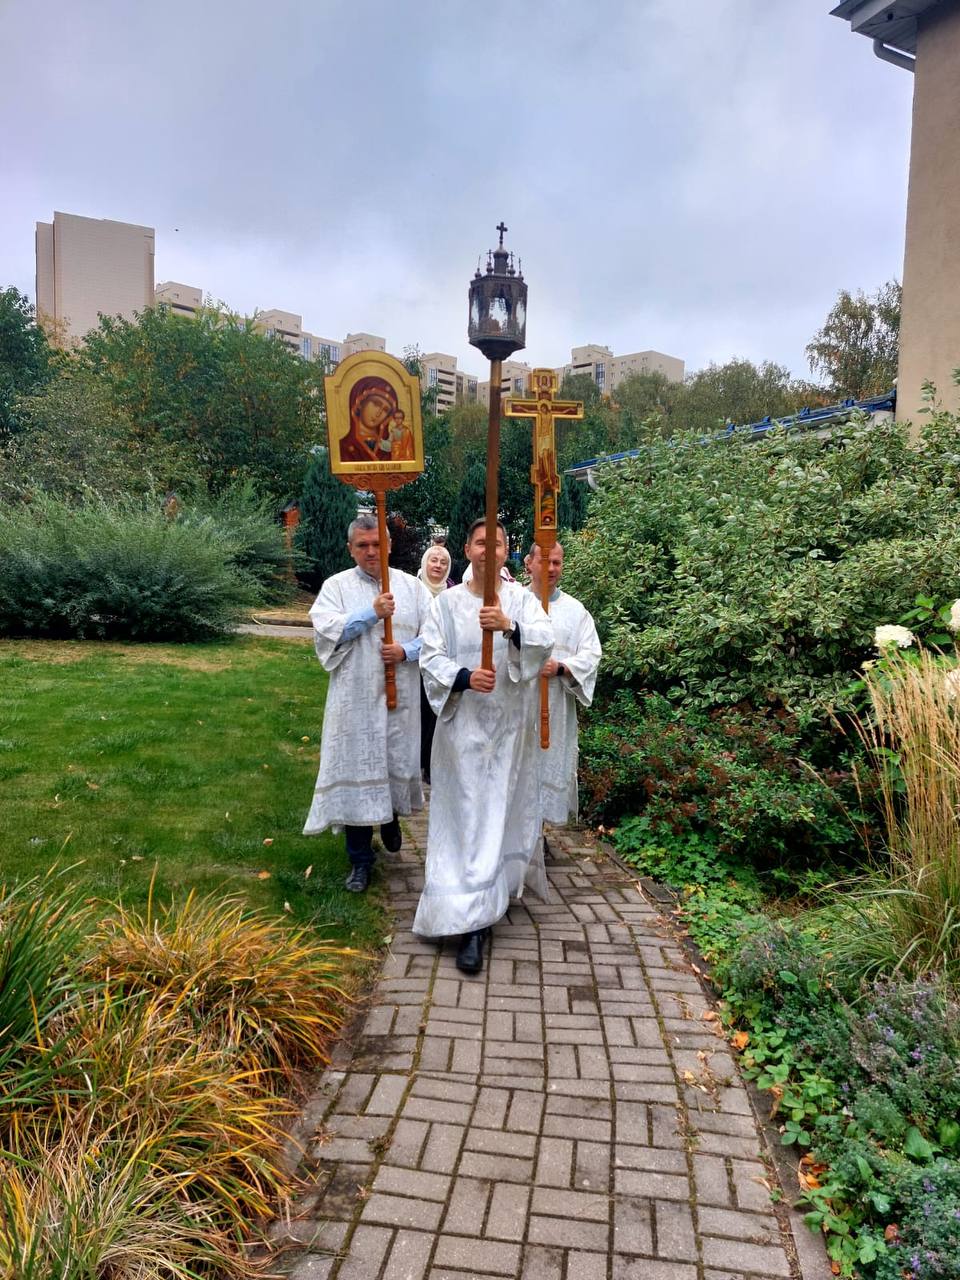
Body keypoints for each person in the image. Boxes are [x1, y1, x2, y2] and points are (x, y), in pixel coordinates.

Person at [413, 518, 554, 974]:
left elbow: (544, 640)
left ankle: (476, 921)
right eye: (479, 543)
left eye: (496, 544)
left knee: (493, 814)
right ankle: (454, 898)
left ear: (506, 552)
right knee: (463, 815)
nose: (488, 551)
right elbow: (430, 656)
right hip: (461, 731)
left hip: (506, 732)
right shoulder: (446, 604)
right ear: (467, 550)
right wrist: (464, 677)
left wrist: (509, 627)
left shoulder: (521, 600)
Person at [303, 514, 432, 892]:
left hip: (399, 698)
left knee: (392, 761)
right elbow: (328, 632)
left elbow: (436, 636)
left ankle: (390, 818)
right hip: (355, 700)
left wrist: (405, 651)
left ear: (389, 545)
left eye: (378, 544)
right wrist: (372, 613)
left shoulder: (412, 588)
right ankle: (360, 860)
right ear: (351, 549)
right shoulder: (336, 587)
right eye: (363, 545)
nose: (372, 551)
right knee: (357, 769)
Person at [524, 541, 602, 826]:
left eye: (557, 562)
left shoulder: (575, 611)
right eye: (545, 561)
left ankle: (539, 833)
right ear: (529, 564)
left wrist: (561, 667)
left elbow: (592, 654)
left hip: (556, 707)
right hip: (519, 704)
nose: (551, 568)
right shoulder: (514, 603)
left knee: (548, 765)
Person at [416, 543, 453, 783]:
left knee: (436, 714)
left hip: (442, 664)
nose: (438, 565)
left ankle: (431, 764)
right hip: (414, 664)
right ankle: (415, 762)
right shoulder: (414, 589)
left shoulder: (452, 594)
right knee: (416, 714)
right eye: (434, 560)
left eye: (443, 562)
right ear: (425, 562)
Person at [339, 377, 398, 464]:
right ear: (360, 402)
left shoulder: (388, 447)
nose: (378, 413)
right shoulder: (344, 446)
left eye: (385, 410)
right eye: (376, 403)